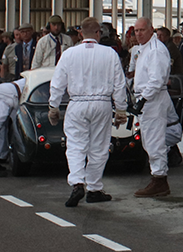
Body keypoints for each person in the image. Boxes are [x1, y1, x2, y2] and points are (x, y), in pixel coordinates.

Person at [48, 15, 130, 207]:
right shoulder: (110, 53)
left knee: (76, 145)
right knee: (99, 147)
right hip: (102, 103)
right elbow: (119, 83)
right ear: (98, 33)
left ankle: (77, 183)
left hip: (77, 103)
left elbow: (58, 82)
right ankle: (94, 187)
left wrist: (53, 105)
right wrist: (121, 109)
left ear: (80, 33)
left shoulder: (69, 54)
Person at [128, 17, 178, 199]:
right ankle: (158, 174)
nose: (138, 34)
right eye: (136, 31)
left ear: (151, 30)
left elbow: (156, 80)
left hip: (153, 99)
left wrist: (143, 99)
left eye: (142, 30)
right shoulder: (143, 50)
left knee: (154, 140)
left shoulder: (156, 50)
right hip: (147, 97)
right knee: (151, 139)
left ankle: (159, 179)